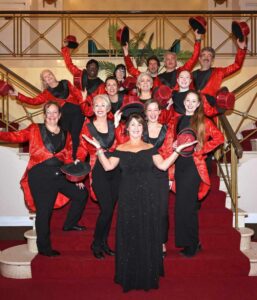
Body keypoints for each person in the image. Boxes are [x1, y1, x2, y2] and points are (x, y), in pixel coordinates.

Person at [83, 113, 195, 292]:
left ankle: (147, 272)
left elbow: (163, 166)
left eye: (139, 126)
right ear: (127, 128)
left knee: (145, 231)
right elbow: (108, 166)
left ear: (143, 129)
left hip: (147, 195)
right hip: (127, 196)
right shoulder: (121, 147)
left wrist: (178, 151)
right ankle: (129, 273)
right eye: (132, 125)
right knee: (129, 232)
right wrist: (98, 149)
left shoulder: (150, 147)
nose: (135, 129)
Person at [0, 101, 88, 257]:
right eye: (49, 112)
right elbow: (15, 136)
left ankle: (69, 224)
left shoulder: (66, 134)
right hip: (40, 175)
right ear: (44, 115)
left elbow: (68, 157)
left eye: (55, 112)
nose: (52, 115)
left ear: (60, 115)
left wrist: (76, 176)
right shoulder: (35, 129)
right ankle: (44, 248)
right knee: (44, 212)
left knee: (81, 194)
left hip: (60, 174)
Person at [173, 91, 224, 257]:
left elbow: (219, 138)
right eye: (188, 100)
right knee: (181, 206)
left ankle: (192, 244)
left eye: (193, 101)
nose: (190, 103)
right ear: (184, 102)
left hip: (193, 167)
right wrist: (174, 144)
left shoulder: (203, 121)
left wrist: (202, 149)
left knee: (188, 207)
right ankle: (190, 242)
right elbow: (175, 139)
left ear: (197, 104)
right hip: (179, 164)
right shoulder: (178, 119)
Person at [76, 94, 119, 260]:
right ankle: (96, 243)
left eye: (104, 105)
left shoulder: (113, 125)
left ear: (108, 108)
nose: (100, 108)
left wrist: (117, 126)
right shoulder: (87, 126)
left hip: (116, 170)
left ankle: (104, 244)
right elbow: (82, 147)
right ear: (93, 108)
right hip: (99, 170)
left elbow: (120, 144)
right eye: (97, 105)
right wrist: (78, 163)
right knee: (106, 209)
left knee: (109, 211)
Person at [9, 69, 86, 159]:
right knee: (66, 138)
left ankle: (78, 159)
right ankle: (68, 159)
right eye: (45, 77)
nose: (48, 77)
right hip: (63, 117)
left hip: (76, 113)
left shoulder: (65, 82)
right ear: (44, 81)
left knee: (77, 135)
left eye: (49, 74)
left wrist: (84, 104)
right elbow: (34, 101)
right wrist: (18, 95)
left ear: (53, 75)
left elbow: (77, 94)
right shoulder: (46, 93)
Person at [143, 99, 175, 256]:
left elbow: (170, 152)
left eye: (156, 110)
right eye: (150, 110)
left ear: (160, 112)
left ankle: (162, 242)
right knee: (145, 209)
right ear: (146, 113)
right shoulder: (139, 129)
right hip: (142, 175)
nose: (153, 113)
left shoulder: (166, 129)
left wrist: (170, 177)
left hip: (161, 174)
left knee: (162, 211)